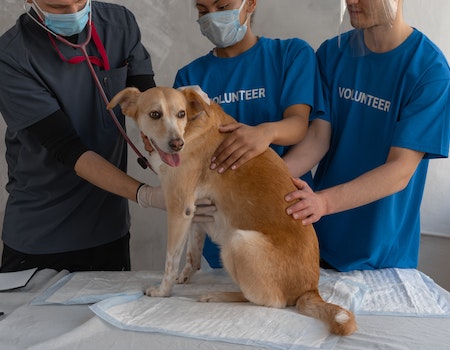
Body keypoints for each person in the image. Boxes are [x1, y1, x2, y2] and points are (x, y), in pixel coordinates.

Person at [0, 0, 173, 272]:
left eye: (79, 2)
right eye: (57, 7)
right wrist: (146, 195)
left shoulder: (119, 24)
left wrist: (165, 153)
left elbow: (147, 102)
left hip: (108, 229)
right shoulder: (11, 56)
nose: (72, 12)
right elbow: (67, 148)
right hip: (41, 236)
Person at [283, 0, 450, 272]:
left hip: (383, 258)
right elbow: (317, 140)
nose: (351, 1)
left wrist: (324, 201)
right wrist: (260, 179)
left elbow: (399, 170)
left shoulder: (430, 71)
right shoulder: (332, 53)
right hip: (319, 242)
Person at [173, 0, 325, 267]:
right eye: (202, 10)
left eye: (222, 7)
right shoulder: (189, 78)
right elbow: (183, 154)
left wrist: (266, 133)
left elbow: (300, 125)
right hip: (222, 227)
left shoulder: (290, 54)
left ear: (250, 4)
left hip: (281, 212)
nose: (212, 17)